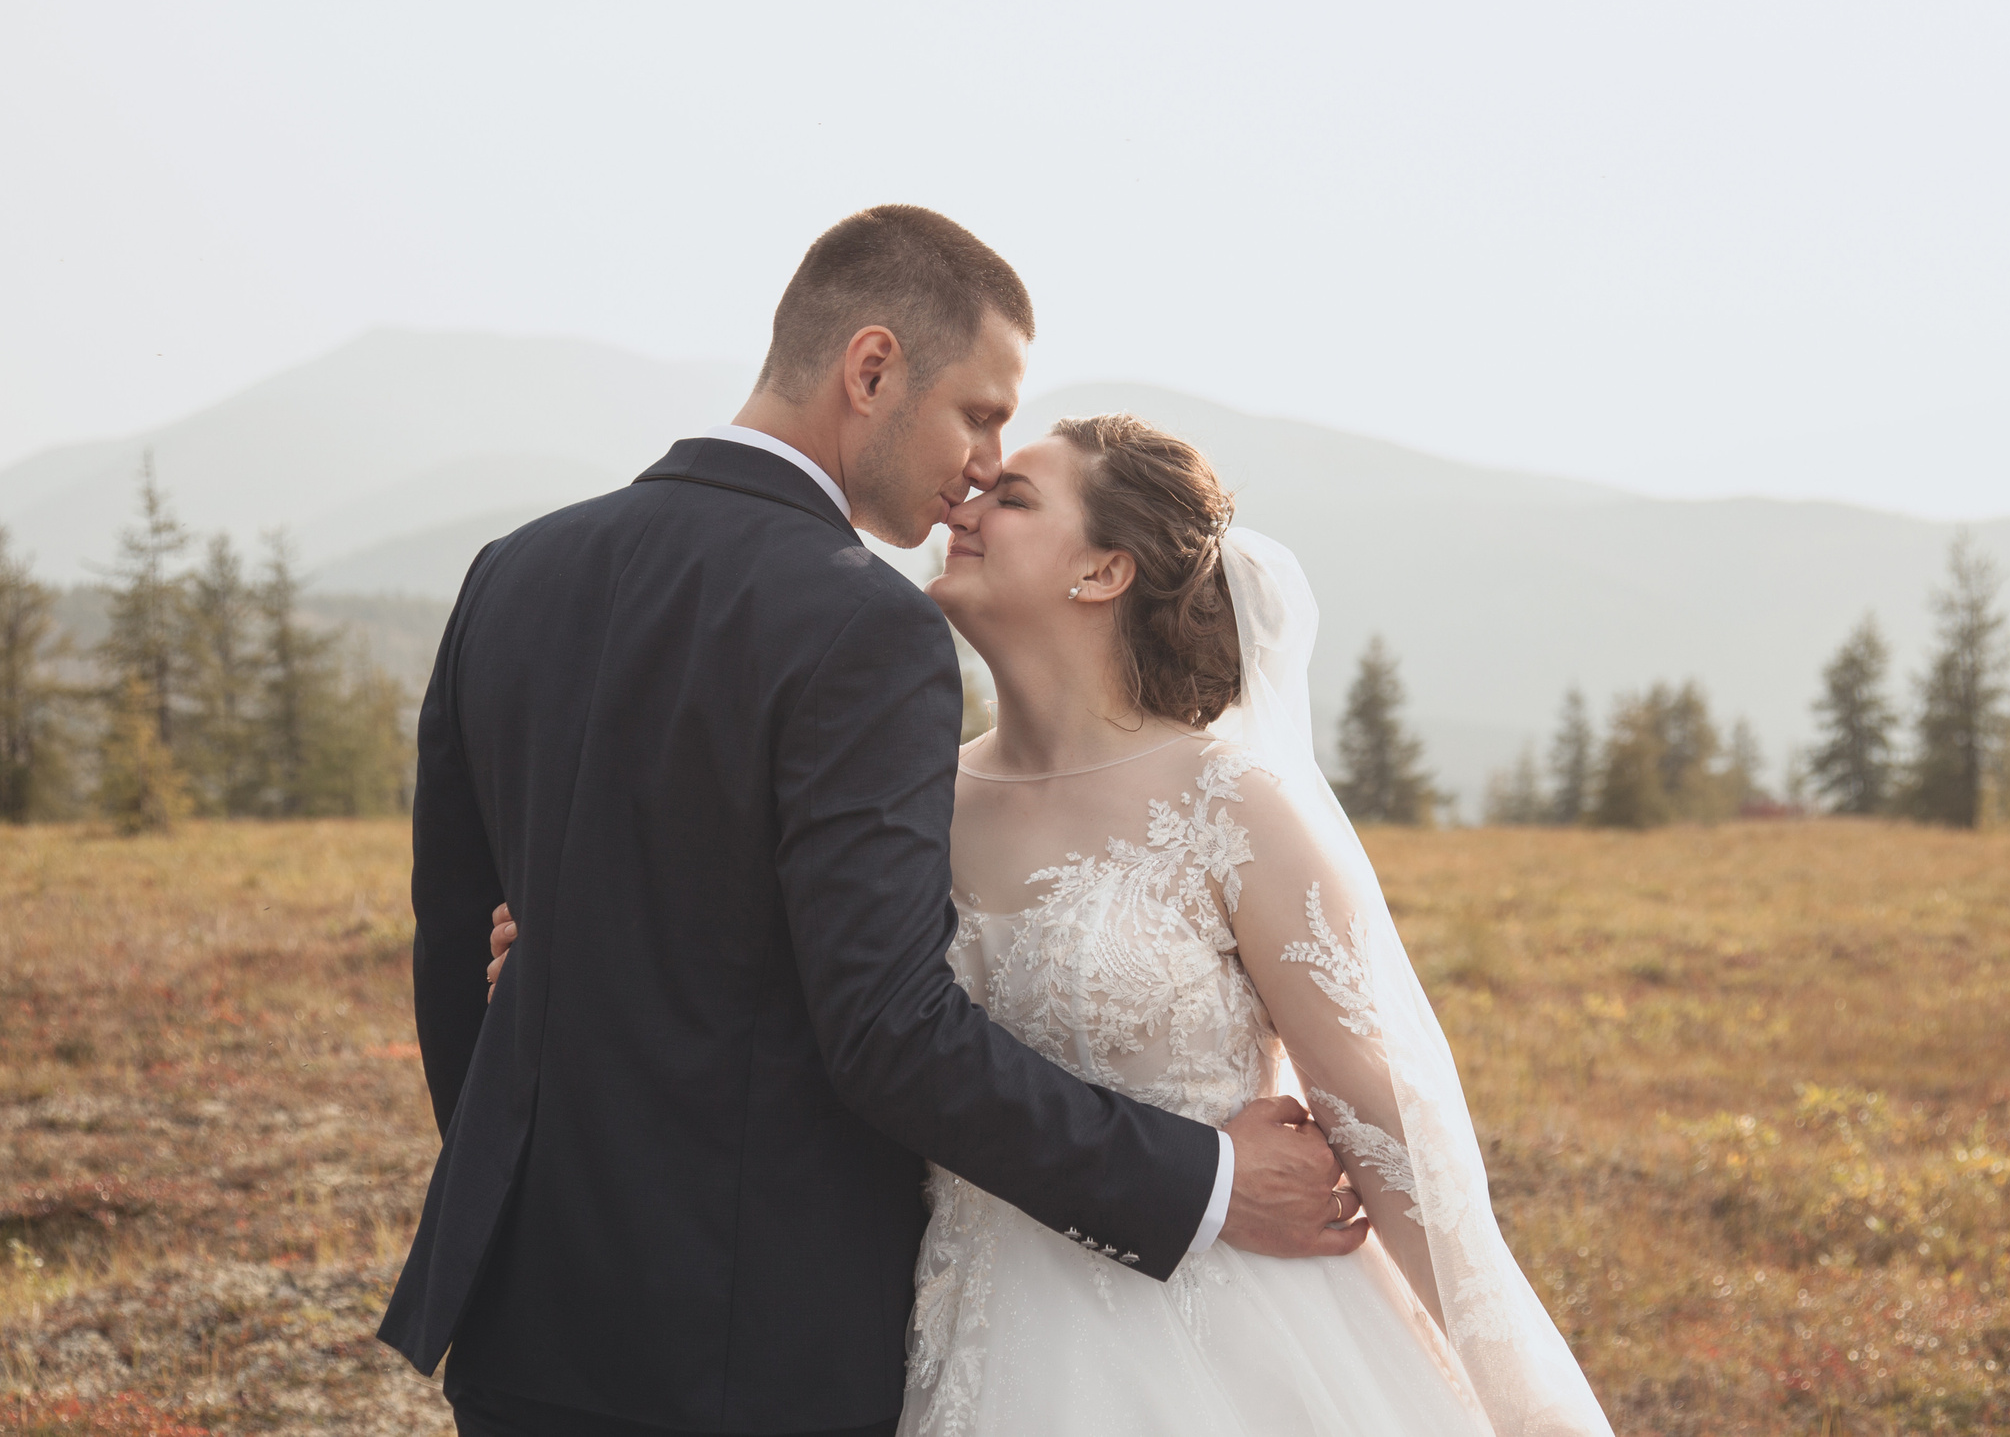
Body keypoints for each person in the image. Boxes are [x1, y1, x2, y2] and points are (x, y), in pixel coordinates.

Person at [379, 204, 1360, 1437]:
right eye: (981, 413)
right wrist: (1207, 1182)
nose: (980, 465)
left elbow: (453, 946)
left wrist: (526, 1184)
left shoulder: (511, 574)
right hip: (757, 1352)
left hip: (524, 1320)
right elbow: (887, 1030)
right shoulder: (864, 625)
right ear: (873, 367)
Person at [493, 417, 1617, 1435]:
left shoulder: (1233, 807)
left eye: (1014, 497)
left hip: (1223, 1347)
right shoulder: (910, 797)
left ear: (1104, 568)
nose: (962, 504)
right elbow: (802, 1006)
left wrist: (1524, 1406)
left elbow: (1385, 1132)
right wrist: (574, 955)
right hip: (951, 1339)